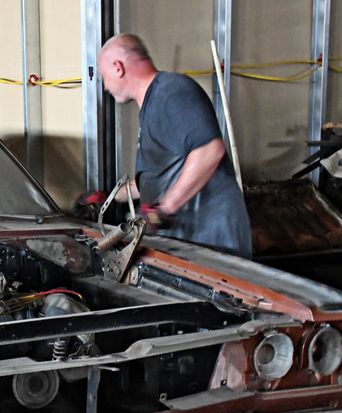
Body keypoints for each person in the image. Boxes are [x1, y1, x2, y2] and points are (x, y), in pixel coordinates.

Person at [98, 34, 252, 258]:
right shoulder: (153, 105)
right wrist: (109, 197)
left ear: (117, 68)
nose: (104, 86)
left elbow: (209, 151)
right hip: (189, 241)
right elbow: (160, 177)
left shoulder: (171, 92)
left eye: (103, 77)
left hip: (212, 242)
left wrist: (165, 209)